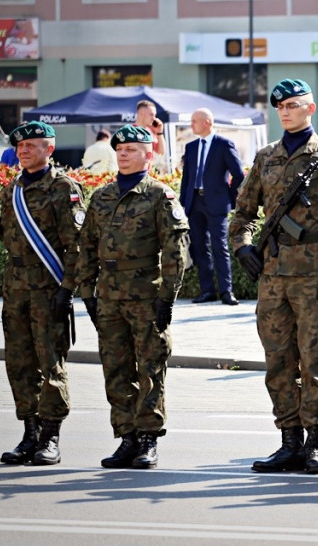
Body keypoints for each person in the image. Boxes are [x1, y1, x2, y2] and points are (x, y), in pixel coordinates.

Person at [230, 78, 318, 475]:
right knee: (278, 362)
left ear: (311, 108)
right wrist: (243, 247)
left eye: (293, 105)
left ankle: (316, 443)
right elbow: (243, 211)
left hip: (314, 276)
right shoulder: (266, 157)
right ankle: (289, 440)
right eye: (280, 107)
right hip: (273, 278)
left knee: (315, 362)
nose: (285, 112)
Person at [75, 125, 189, 469]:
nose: (123, 154)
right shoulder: (102, 197)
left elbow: (175, 250)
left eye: (131, 149)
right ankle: (126, 438)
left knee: (150, 368)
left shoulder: (159, 195)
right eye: (120, 149)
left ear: (148, 154)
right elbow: (87, 247)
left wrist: (167, 297)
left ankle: (148, 440)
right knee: (116, 369)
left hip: (145, 295)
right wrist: (88, 292)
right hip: (109, 296)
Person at [0, 121, 85, 466]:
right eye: (21, 146)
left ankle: (50, 436)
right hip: (15, 289)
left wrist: (68, 290)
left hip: (48, 287)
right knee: (19, 364)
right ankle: (29, 433)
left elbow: (76, 246)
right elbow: (12, 236)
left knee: (49, 363)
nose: (24, 150)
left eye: (32, 145)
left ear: (49, 149)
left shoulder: (63, 188)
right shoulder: (12, 189)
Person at [180, 108, 245, 306]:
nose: (191, 125)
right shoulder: (190, 147)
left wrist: (229, 197)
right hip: (195, 202)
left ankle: (227, 292)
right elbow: (187, 178)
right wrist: (184, 204)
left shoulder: (224, 144)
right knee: (199, 247)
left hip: (216, 203)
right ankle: (207, 291)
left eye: (194, 121)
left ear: (207, 122)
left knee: (220, 247)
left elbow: (239, 175)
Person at [133, 100, 166, 171]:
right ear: (141, 114)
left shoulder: (149, 131)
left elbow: (161, 152)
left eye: (155, 115)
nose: (154, 118)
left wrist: (159, 132)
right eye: (151, 114)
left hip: (148, 175)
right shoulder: (131, 131)